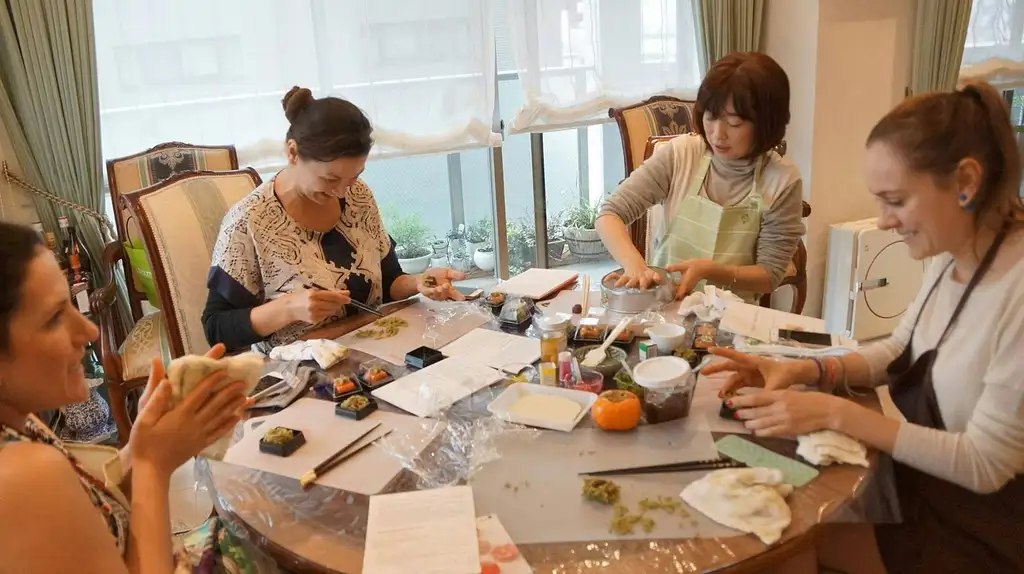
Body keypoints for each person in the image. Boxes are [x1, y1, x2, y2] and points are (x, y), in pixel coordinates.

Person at [706, 80, 1024, 573]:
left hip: (978, 530)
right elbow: (899, 348)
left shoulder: (1017, 292)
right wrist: (806, 371)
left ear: (966, 180)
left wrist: (833, 414)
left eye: (895, 200)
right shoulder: (955, 252)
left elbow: (985, 465)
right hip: (923, 487)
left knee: (776, 552)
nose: (882, 222)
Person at [0, 222, 256, 573]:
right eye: (55, 318)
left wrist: (139, 448)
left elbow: (90, 518)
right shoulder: (22, 474)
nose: (89, 330)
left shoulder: (19, 421)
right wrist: (154, 466)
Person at [202, 86, 466, 352]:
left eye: (354, 176)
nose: (341, 192)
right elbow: (216, 329)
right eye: (330, 179)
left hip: (372, 349)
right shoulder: (249, 221)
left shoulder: (357, 195)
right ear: (292, 153)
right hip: (299, 369)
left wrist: (420, 283)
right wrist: (288, 308)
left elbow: (388, 282)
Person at [596, 52, 805, 301]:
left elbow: (770, 275)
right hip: (664, 313)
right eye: (711, 116)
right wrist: (634, 265)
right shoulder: (681, 154)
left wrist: (713, 271)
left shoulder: (782, 180)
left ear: (766, 124)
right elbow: (610, 214)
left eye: (735, 123)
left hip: (732, 319)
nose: (718, 134)